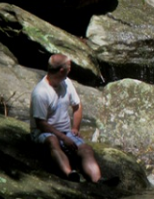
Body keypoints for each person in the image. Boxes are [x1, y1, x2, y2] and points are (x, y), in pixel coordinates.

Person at [30, 54, 102, 183]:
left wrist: (75, 128)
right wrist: (63, 138)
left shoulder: (66, 82)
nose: (71, 70)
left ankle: (97, 180)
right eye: (69, 67)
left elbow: (77, 105)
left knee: (86, 149)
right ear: (62, 70)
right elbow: (41, 123)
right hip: (43, 133)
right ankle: (69, 174)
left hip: (65, 132)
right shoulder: (41, 92)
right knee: (53, 140)